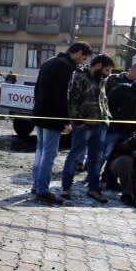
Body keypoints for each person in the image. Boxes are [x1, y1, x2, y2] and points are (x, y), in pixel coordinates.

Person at [30, 41, 93, 205]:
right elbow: (63, 96)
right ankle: (42, 190)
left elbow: (37, 89)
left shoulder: (50, 61)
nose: (83, 61)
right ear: (78, 52)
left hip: (41, 113)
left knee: (41, 152)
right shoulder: (65, 67)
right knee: (49, 154)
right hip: (53, 116)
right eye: (83, 57)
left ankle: (36, 186)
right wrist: (65, 121)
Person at [60, 54, 114, 203]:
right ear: (98, 66)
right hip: (83, 125)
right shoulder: (79, 77)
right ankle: (66, 188)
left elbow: (103, 99)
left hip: (101, 124)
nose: (108, 74)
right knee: (75, 156)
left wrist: (106, 119)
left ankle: (93, 189)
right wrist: (78, 121)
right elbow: (72, 101)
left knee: (96, 159)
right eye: (107, 70)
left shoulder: (102, 79)